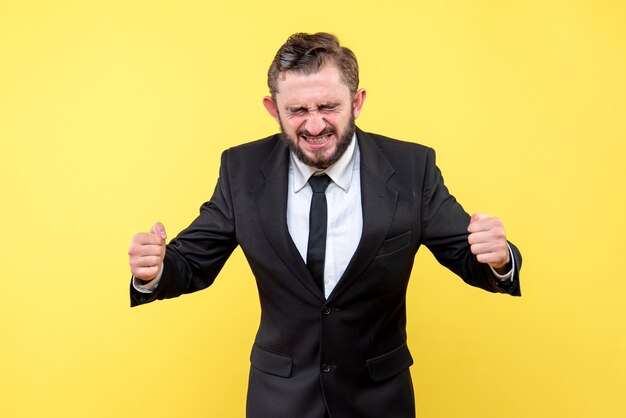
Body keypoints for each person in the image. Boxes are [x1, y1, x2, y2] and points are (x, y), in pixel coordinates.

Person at [128, 32, 522, 418]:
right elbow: (193, 263)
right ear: (272, 108)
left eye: (328, 107)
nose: (314, 126)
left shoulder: (410, 168)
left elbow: (469, 256)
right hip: (279, 401)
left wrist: (499, 259)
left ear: (358, 101)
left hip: (378, 401)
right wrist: (156, 269)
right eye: (297, 111)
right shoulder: (241, 171)